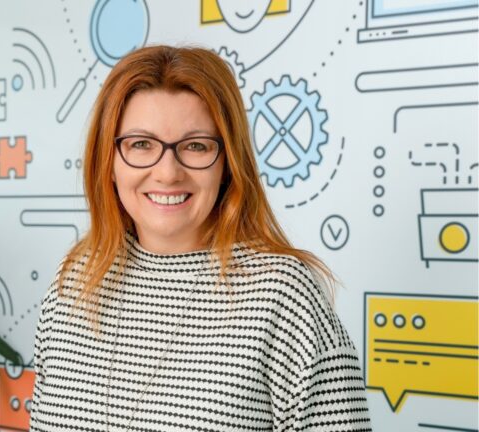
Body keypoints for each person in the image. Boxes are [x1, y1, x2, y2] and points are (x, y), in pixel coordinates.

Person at [29, 45, 371, 432]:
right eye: (140, 144)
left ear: (228, 163)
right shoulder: (73, 283)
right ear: (108, 160)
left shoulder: (282, 295)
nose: (167, 173)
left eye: (196, 146)